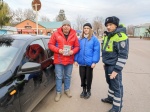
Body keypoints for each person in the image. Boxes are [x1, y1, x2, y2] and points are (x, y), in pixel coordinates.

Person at [101, 16, 129, 112]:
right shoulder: (108, 35)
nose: (108, 27)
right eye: (107, 25)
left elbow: (123, 55)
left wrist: (116, 70)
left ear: (116, 25)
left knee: (117, 87)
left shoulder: (120, 36)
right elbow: (106, 50)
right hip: (108, 64)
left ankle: (117, 108)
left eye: (110, 25)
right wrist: (105, 63)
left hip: (114, 66)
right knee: (110, 83)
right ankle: (110, 98)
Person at [48, 20, 79, 102]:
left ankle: (67, 90)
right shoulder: (56, 34)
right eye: (64, 25)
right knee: (58, 77)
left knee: (68, 76)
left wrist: (72, 51)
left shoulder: (74, 35)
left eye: (68, 25)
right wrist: (58, 50)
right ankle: (58, 92)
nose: (66, 26)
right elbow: (50, 44)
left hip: (69, 60)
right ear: (62, 26)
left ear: (70, 27)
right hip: (59, 60)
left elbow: (77, 47)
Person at [74, 23, 100, 99]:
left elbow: (96, 51)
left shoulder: (94, 39)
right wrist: (75, 60)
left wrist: (94, 61)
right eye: (85, 28)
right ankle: (83, 90)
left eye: (87, 28)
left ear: (90, 29)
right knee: (82, 77)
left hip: (89, 63)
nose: (86, 29)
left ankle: (88, 91)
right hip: (81, 62)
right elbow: (77, 50)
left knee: (88, 77)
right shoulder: (80, 39)